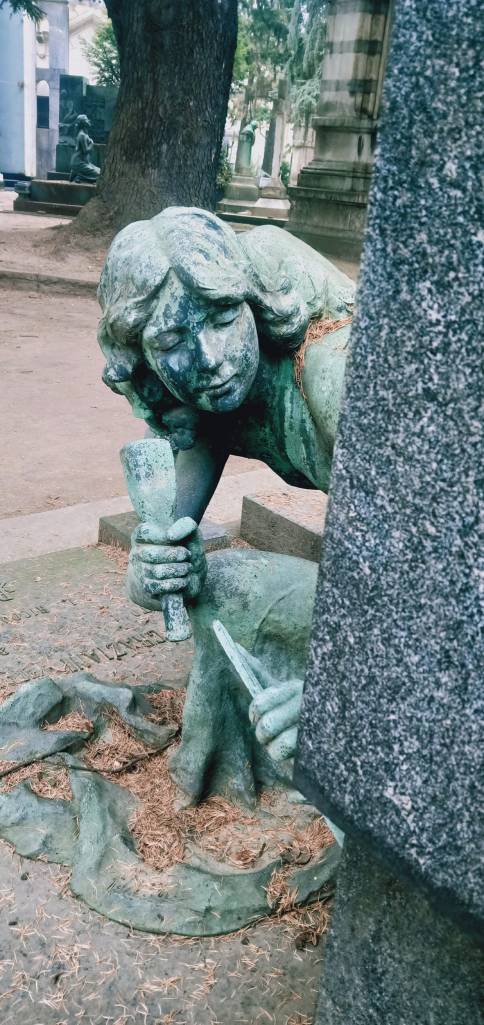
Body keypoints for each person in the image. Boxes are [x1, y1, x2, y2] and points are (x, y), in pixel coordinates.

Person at [98, 206, 354, 806]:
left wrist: (344, 697)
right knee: (221, 586)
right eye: (172, 341)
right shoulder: (207, 400)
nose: (210, 358)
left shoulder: (332, 374)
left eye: (221, 318)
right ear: (143, 358)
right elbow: (165, 556)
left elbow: (432, 582)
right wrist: (155, 569)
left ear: (253, 304)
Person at [70, 115, 100, 184]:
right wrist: (92, 143)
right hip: (78, 162)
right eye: (86, 119)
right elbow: (85, 151)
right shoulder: (82, 135)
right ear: (83, 122)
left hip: (84, 162)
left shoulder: (84, 133)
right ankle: (78, 176)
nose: (88, 121)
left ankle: (78, 174)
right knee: (99, 175)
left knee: (101, 172)